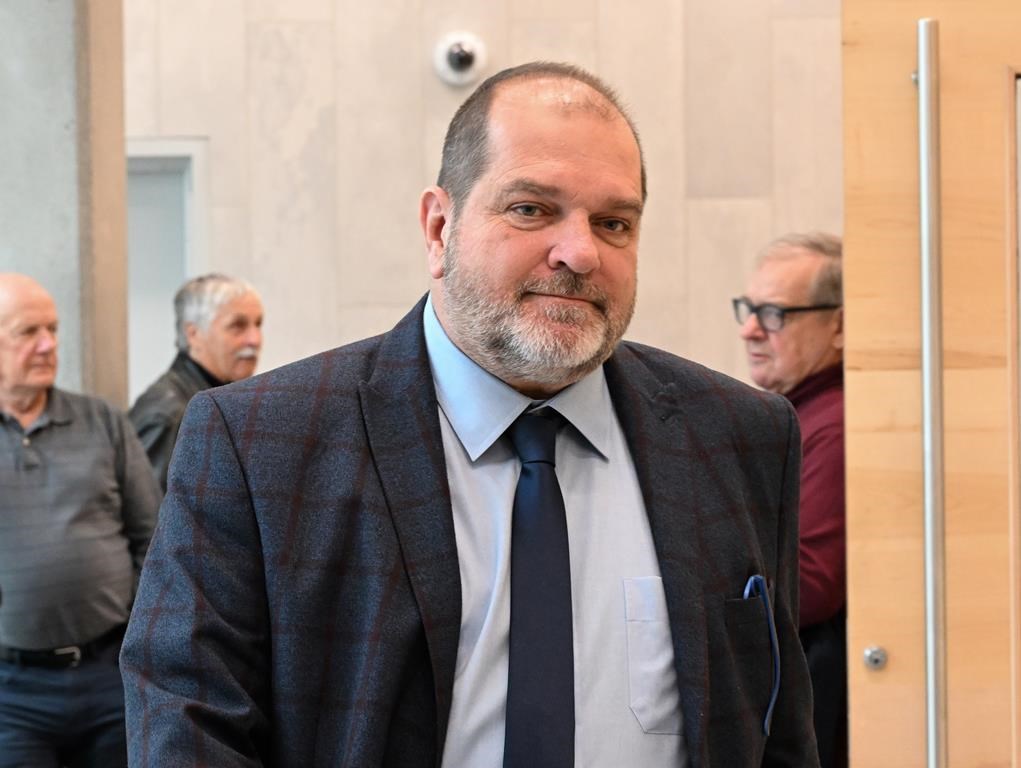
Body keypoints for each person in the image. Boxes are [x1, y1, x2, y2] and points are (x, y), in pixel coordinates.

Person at [121, 62, 819, 767]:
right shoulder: (259, 444)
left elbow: (777, 729)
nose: (579, 252)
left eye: (613, 223)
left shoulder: (740, 437)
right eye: (531, 209)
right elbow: (189, 732)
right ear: (438, 227)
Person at [0, 273, 159, 767]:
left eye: (52, 329)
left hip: (109, 672)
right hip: (11, 693)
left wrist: (136, 634)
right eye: (28, 332)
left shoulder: (103, 421)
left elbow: (154, 537)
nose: (48, 344)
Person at [733, 232, 846, 768]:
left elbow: (812, 587)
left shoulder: (836, 425)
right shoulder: (795, 415)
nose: (750, 329)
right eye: (749, 308)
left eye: (775, 313)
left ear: (840, 325)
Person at [129, 274, 263, 492]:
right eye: (237, 326)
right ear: (193, 334)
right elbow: (152, 508)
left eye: (258, 324)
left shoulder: (219, 400)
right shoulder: (168, 414)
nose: (255, 339)